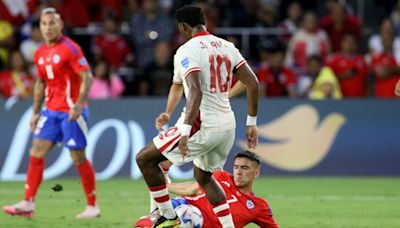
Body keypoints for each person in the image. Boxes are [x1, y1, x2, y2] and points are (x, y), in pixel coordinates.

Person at [135, 5, 259, 228]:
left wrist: (184, 131)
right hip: (227, 126)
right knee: (204, 178)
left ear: (182, 27)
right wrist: (251, 122)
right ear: (204, 22)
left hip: (201, 124)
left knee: (145, 158)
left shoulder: (186, 50)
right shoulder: (227, 46)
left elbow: (196, 91)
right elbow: (253, 83)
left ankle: (167, 214)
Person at [2, 7, 100, 219]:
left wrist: (78, 105)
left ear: (60, 25)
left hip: (71, 111)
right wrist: (36, 112)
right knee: (36, 151)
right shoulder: (40, 53)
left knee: (78, 157)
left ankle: (92, 206)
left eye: (52, 23)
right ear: (40, 27)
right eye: (44, 24)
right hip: (51, 110)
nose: (47, 28)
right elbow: (40, 83)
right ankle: (28, 203)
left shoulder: (70, 49)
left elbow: (87, 77)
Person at [135, 151, 279, 228]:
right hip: (183, 208)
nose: (238, 172)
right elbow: (194, 188)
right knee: (146, 225)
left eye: (244, 168)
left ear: (257, 172)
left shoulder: (258, 206)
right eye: (236, 167)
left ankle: (164, 171)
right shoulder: (221, 177)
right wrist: (159, 186)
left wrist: (159, 186)